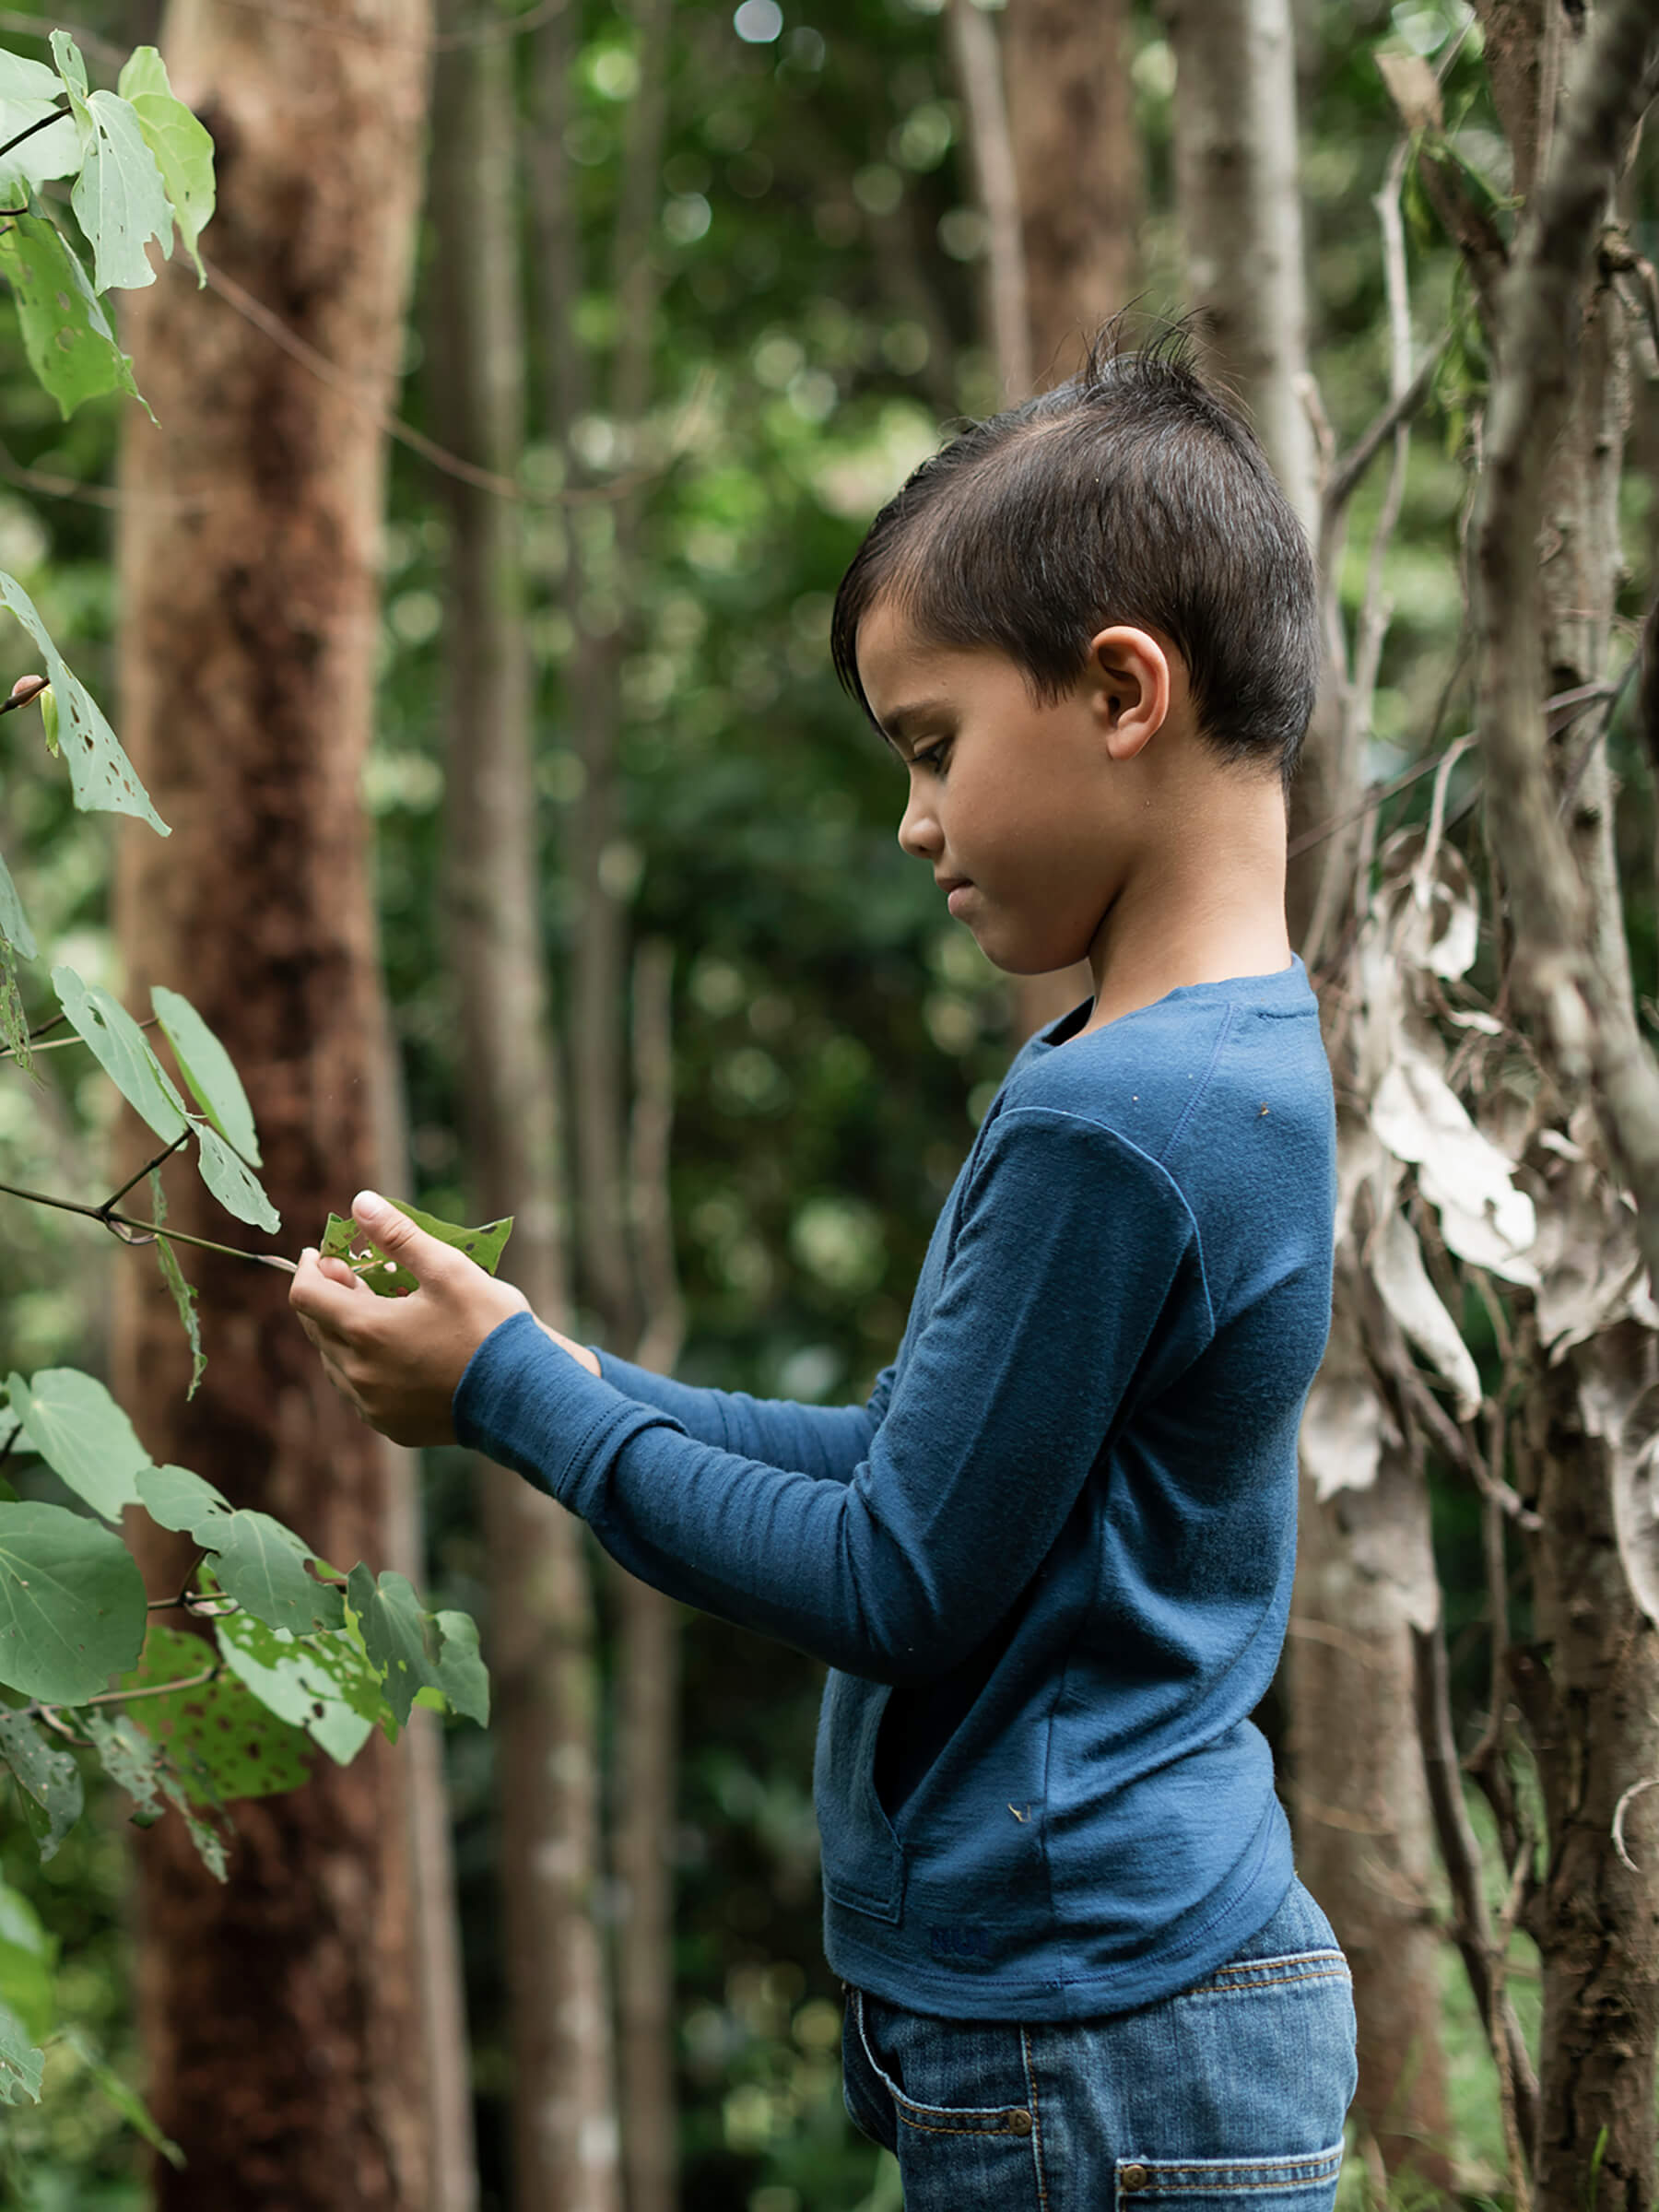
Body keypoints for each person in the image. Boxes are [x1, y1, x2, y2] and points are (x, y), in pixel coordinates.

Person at [292, 328, 1358, 2209]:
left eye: (935, 747)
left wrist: (513, 1405)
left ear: (1122, 689)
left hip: (1091, 2050)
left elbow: (893, 1576)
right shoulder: (1207, 1061)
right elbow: (907, 1462)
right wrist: (552, 1361)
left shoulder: (1119, 1123)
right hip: (1123, 2022)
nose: (915, 821)